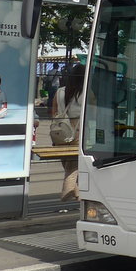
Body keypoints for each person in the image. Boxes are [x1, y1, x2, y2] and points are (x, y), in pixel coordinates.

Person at [51, 63, 85, 202]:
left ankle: (77, 195)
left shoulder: (59, 92)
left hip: (60, 136)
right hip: (78, 135)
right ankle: (67, 190)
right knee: (74, 167)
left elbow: (54, 113)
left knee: (69, 165)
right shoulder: (87, 93)